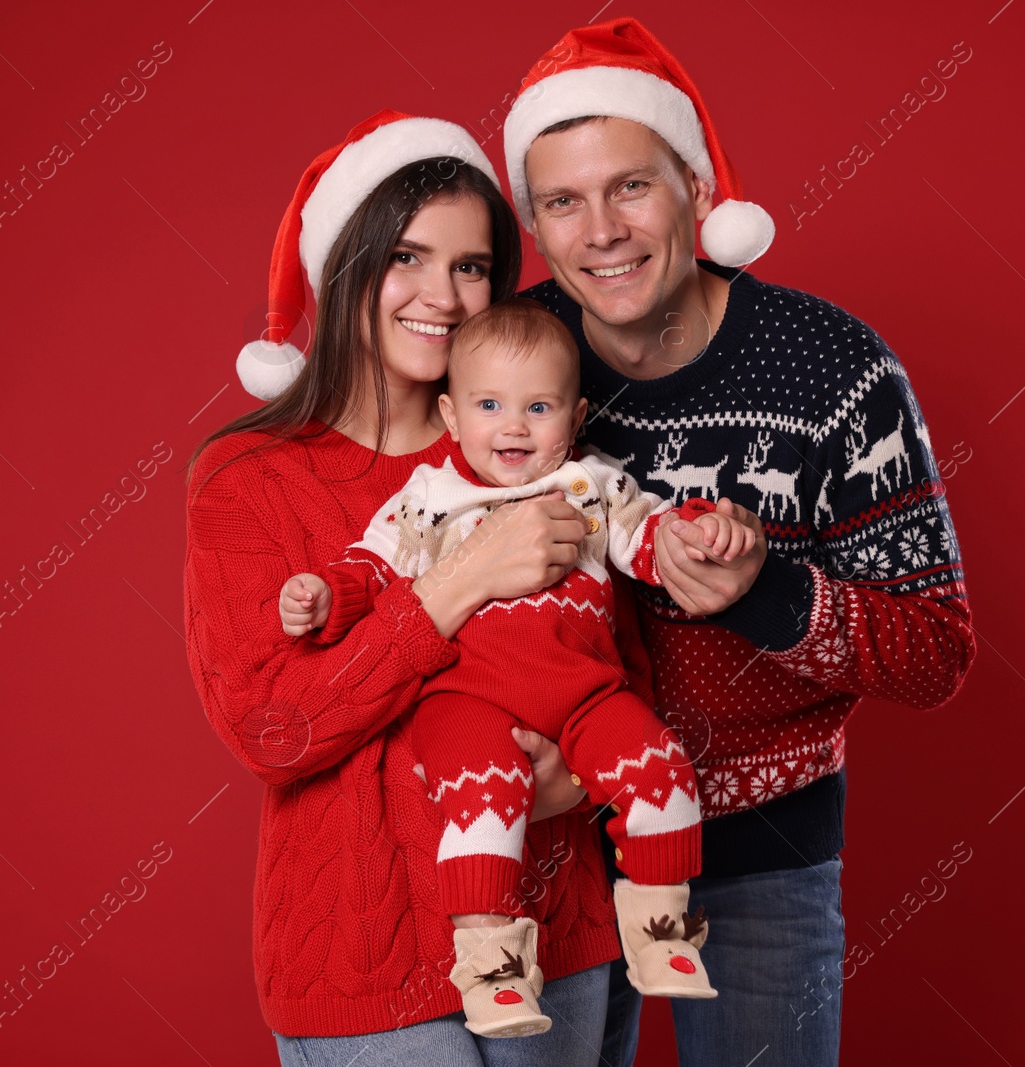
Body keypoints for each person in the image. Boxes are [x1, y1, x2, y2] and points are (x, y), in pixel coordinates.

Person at [500, 18, 977, 1066]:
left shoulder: (835, 370)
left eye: (631, 187)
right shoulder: (506, 364)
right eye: (563, 202)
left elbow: (936, 649)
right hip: (555, 845)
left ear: (699, 189)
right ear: (535, 222)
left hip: (760, 849)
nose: (602, 231)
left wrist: (768, 590)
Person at [184, 110, 630, 1066]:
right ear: (344, 266)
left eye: (471, 266)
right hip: (363, 956)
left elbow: (622, 656)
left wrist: (588, 771)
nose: (444, 295)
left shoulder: (525, 441)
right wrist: (457, 583)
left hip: (554, 929)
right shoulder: (249, 481)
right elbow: (274, 728)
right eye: (408, 258)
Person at [278, 298, 752, 1037]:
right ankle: (492, 966)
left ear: (576, 414)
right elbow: (374, 566)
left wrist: (697, 533)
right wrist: (323, 595)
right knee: (486, 797)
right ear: (452, 415)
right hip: (467, 697)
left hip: (585, 694)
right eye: (490, 404)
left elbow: (644, 537)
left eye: (539, 406)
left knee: (662, 767)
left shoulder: (591, 487)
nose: (514, 426)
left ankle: (660, 927)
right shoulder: (433, 499)